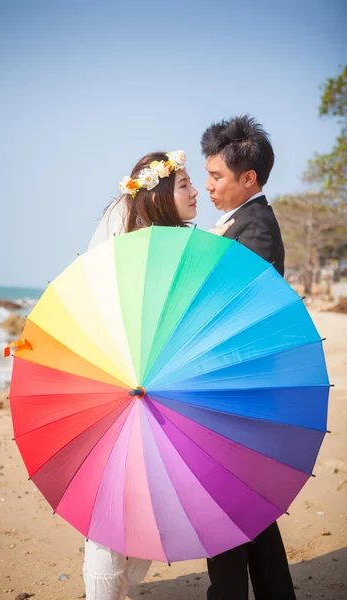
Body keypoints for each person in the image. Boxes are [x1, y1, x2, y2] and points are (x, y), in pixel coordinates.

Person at [85, 149, 231, 600]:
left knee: (152, 496)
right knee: (116, 503)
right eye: (185, 185)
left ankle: (120, 587)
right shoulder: (132, 249)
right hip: (125, 383)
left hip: (165, 389)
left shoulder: (180, 244)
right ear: (161, 191)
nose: (196, 194)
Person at [201, 115, 295, 600]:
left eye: (216, 176)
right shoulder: (240, 222)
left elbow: (243, 314)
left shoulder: (256, 229)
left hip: (238, 389)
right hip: (237, 389)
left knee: (224, 512)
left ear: (248, 178)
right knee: (249, 510)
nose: (208, 186)